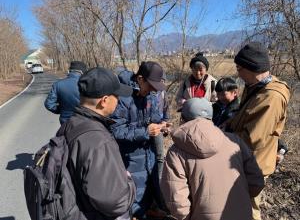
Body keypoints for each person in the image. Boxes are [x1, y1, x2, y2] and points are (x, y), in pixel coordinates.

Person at [160, 98, 265, 220]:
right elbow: (257, 181)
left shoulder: (176, 151)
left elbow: (176, 200)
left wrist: (189, 217)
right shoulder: (234, 140)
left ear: (183, 120)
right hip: (242, 214)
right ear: (210, 118)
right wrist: (240, 201)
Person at [56, 67, 136, 219]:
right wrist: (129, 182)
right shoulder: (98, 140)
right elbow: (115, 203)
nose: (118, 101)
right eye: (117, 96)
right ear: (104, 101)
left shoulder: (71, 124)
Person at [225, 42, 290, 220]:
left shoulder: (272, 96)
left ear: (253, 68)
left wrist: (220, 138)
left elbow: (253, 138)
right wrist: (228, 123)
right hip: (243, 159)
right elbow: (244, 115)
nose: (237, 73)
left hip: (255, 164)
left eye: (240, 68)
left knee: (250, 209)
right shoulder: (255, 87)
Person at [110, 61, 170, 219]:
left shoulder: (151, 96)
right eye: (151, 86)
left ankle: (146, 210)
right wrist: (145, 131)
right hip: (129, 156)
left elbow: (155, 117)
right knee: (133, 190)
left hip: (148, 152)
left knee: (150, 185)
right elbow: (115, 130)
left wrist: (162, 125)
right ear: (140, 79)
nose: (153, 90)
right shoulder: (123, 98)